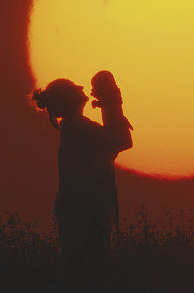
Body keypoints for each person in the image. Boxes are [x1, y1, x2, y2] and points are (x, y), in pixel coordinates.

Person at [31, 77, 132, 270]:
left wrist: (110, 105)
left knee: (87, 267)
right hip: (85, 211)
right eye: (74, 87)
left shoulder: (76, 127)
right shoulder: (79, 128)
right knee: (90, 268)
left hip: (82, 209)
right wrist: (112, 103)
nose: (82, 87)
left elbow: (111, 147)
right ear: (68, 99)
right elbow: (121, 142)